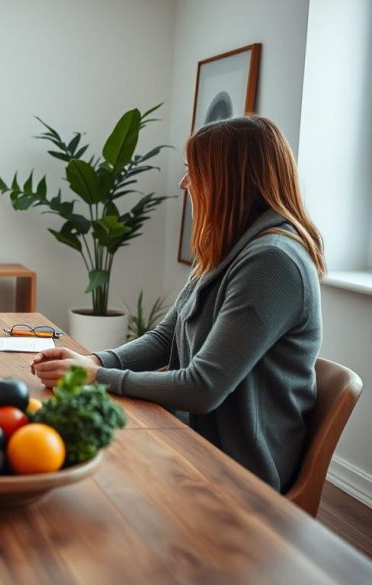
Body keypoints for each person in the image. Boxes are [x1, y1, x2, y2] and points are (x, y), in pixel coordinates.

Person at [32, 115, 325, 493]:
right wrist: (95, 361)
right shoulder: (230, 247)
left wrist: (95, 378)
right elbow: (165, 337)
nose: (184, 183)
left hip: (239, 472)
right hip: (194, 439)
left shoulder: (272, 262)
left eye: (194, 171)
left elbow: (202, 387)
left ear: (230, 180)